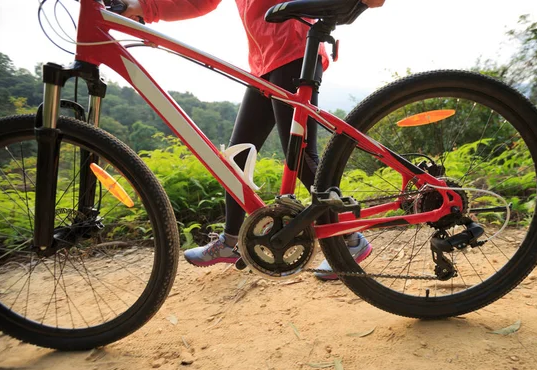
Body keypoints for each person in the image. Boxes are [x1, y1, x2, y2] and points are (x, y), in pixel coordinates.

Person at [121, 0, 385, 280]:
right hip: (263, 65)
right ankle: (231, 241)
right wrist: (142, 8)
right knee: (237, 157)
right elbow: (199, 3)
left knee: (302, 157)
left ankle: (351, 240)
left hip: (294, 51)